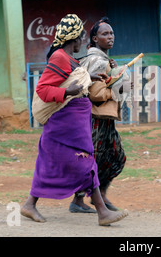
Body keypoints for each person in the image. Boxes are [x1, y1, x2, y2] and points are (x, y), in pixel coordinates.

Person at [21, 14, 128, 226]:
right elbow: (43, 89)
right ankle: (102, 212)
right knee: (86, 163)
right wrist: (68, 92)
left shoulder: (69, 59)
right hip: (64, 126)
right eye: (81, 36)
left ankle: (29, 204)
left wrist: (90, 79)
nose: (82, 41)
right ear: (76, 37)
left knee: (49, 164)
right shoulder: (59, 57)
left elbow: (73, 81)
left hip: (72, 126)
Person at [77, 17, 130, 212]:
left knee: (117, 156)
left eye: (112, 33)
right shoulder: (96, 61)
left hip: (105, 119)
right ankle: (79, 199)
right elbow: (96, 94)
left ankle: (101, 195)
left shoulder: (105, 60)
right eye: (105, 34)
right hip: (93, 118)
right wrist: (121, 86)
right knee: (93, 158)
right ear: (94, 38)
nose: (110, 37)